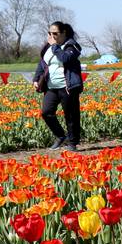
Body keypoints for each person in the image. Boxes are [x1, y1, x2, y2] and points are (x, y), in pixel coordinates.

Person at [33, 21, 83, 151]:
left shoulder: (72, 46)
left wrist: (55, 46)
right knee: (46, 112)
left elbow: (65, 58)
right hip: (51, 87)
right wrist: (36, 78)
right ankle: (61, 136)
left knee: (71, 115)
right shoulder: (48, 47)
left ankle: (73, 143)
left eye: (55, 33)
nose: (51, 35)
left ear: (63, 33)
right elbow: (42, 63)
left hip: (67, 87)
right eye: (49, 33)